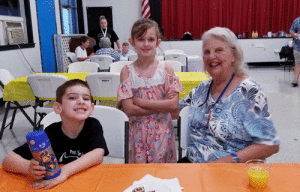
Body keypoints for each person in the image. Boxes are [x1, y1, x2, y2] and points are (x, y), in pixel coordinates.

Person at [177, 27, 280, 163]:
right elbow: (176, 109)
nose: (211, 56)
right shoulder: (203, 88)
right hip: (194, 166)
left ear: (234, 55)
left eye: (219, 50)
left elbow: (270, 144)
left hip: (231, 170)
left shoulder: (249, 91)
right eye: (207, 52)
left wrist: (227, 161)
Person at [2, 79, 109, 189]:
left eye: (86, 98)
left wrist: (65, 171)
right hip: (58, 186)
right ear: (58, 107)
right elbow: (8, 160)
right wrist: (28, 167)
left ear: (91, 108)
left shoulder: (93, 125)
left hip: (88, 183)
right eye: (72, 97)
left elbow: (98, 154)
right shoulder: (51, 132)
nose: (81, 101)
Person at [117, 18, 184, 164]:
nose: (146, 44)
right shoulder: (127, 72)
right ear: (132, 41)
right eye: (141, 39)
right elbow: (129, 109)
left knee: (163, 176)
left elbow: (173, 106)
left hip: (162, 133)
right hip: (137, 134)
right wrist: (162, 106)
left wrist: (141, 101)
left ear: (158, 42)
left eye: (151, 39)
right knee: (139, 177)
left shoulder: (166, 69)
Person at [290, 17, 300, 87]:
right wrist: (294, 34)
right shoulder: (297, 20)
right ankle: (295, 80)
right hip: (298, 46)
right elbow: (291, 30)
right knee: (297, 63)